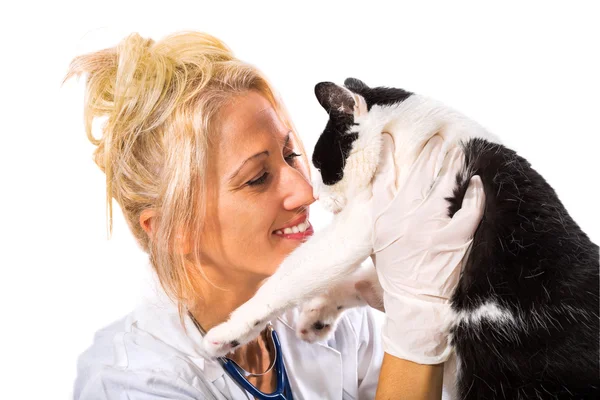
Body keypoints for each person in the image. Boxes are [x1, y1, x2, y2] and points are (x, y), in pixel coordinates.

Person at [67, 31, 484, 400]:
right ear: (174, 229)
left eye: (291, 155)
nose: (305, 192)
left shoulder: (326, 315)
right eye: (257, 178)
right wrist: (417, 320)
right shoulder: (129, 384)